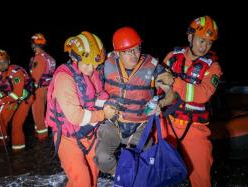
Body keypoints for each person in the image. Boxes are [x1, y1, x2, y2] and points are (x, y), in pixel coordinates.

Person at [93, 26, 170, 174]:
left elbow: (171, 94)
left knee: (147, 164)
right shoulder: (106, 65)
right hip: (114, 124)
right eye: (128, 51)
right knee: (102, 158)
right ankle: (123, 176)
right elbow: (92, 89)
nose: (134, 54)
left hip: (140, 125)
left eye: (137, 48)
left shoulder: (152, 66)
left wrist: (161, 103)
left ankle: (137, 177)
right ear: (117, 52)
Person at [157, 15, 223, 187]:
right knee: (157, 170)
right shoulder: (172, 57)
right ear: (190, 36)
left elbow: (202, 94)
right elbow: (157, 83)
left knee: (200, 174)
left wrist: (174, 83)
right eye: (202, 40)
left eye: (209, 43)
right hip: (168, 123)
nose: (205, 46)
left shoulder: (213, 67)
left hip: (194, 126)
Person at [45, 31, 112, 187]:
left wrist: (109, 105)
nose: (92, 68)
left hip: (90, 135)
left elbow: (101, 95)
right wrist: (103, 114)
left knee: (93, 178)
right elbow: (75, 116)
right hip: (68, 139)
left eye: (95, 64)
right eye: (88, 63)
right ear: (75, 58)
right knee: (82, 180)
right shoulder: (64, 78)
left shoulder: (92, 73)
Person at [0, 49, 33, 152]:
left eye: (4, 62)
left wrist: (0, 102)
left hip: (24, 98)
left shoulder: (16, 72)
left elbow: (17, 94)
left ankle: (19, 151)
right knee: (0, 119)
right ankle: (2, 143)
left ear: (8, 61)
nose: (2, 65)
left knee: (16, 124)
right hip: (10, 98)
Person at [29, 33, 56, 140]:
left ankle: (42, 138)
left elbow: (35, 77)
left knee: (38, 114)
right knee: (45, 112)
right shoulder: (50, 58)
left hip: (39, 90)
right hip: (48, 88)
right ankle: (41, 134)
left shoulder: (38, 58)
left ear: (34, 45)